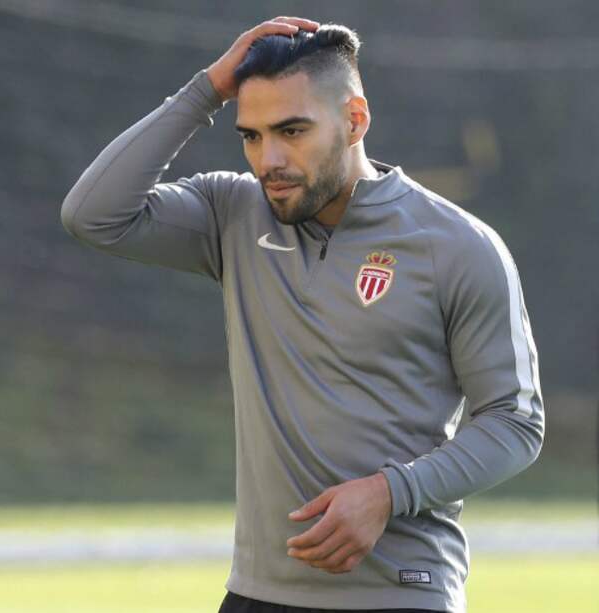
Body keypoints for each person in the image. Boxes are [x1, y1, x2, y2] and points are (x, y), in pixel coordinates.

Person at [60, 16, 544, 613]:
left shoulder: (457, 246)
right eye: (253, 136)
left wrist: (391, 493)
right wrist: (206, 89)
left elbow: (515, 422)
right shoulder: (232, 214)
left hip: (401, 594)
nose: (270, 159)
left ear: (355, 119)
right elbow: (93, 214)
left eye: (292, 130)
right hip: (257, 594)